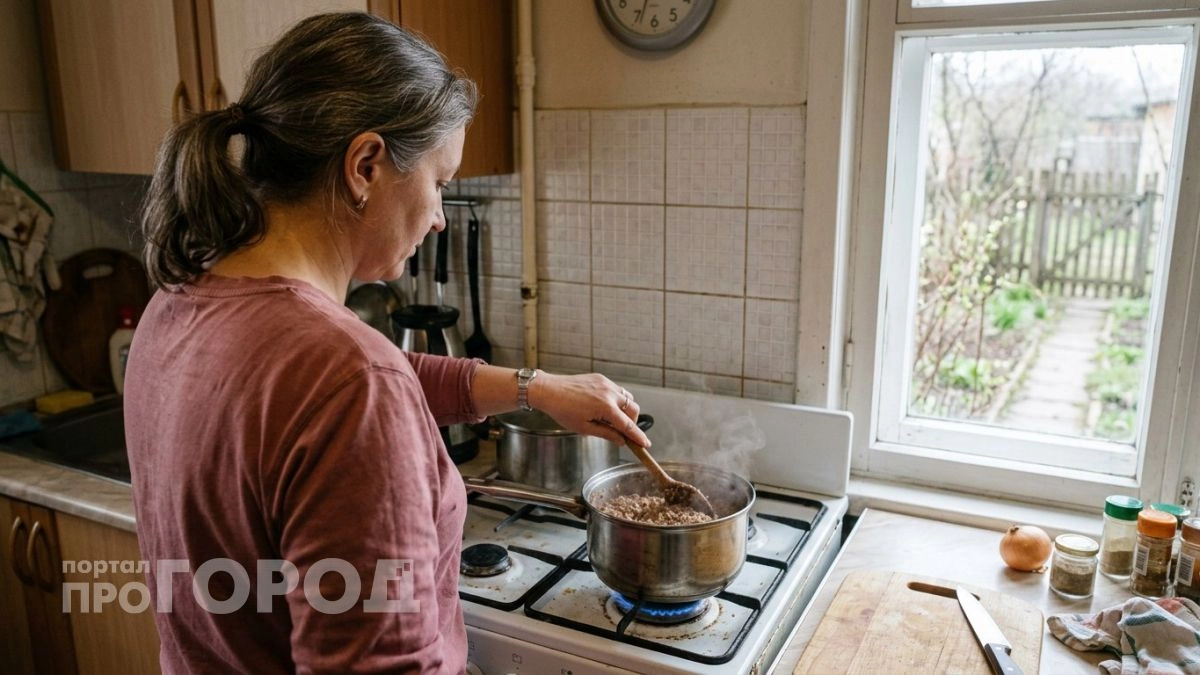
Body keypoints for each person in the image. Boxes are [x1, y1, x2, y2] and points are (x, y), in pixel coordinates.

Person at [125, 12, 651, 674]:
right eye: (438, 182)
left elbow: (339, 386)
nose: (437, 218)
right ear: (366, 164)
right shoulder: (345, 376)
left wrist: (534, 389)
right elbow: (353, 387)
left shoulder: (173, 305)